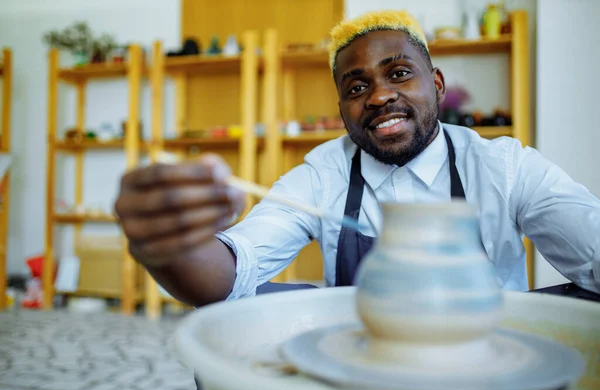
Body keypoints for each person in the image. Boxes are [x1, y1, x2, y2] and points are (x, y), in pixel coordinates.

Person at [114, 10, 600, 308]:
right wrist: (172, 246)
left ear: (437, 84)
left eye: (400, 73)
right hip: (361, 371)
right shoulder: (321, 174)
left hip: (486, 375)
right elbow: (231, 271)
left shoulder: (506, 166)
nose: (379, 96)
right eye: (357, 87)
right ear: (343, 107)